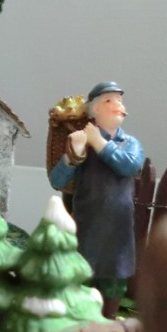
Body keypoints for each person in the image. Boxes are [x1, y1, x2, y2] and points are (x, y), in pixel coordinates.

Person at [49, 82, 144, 317]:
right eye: (109, 101)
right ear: (94, 110)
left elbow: (129, 166)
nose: (117, 105)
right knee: (83, 275)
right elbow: (57, 181)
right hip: (88, 225)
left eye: (119, 101)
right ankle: (80, 319)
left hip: (119, 229)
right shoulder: (82, 142)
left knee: (114, 279)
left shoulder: (130, 144)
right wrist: (73, 154)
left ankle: (109, 321)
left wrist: (99, 143)